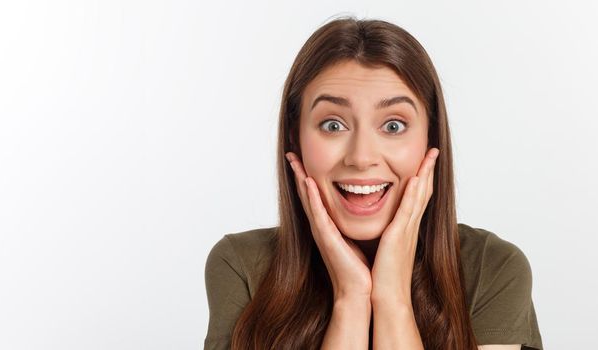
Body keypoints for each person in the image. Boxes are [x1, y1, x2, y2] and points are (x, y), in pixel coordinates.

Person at [204, 16, 542, 350]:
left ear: (431, 138)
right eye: (333, 125)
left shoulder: (491, 268)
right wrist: (351, 299)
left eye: (393, 126)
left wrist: (392, 298)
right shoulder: (242, 265)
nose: (362, 157)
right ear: (295, 136)